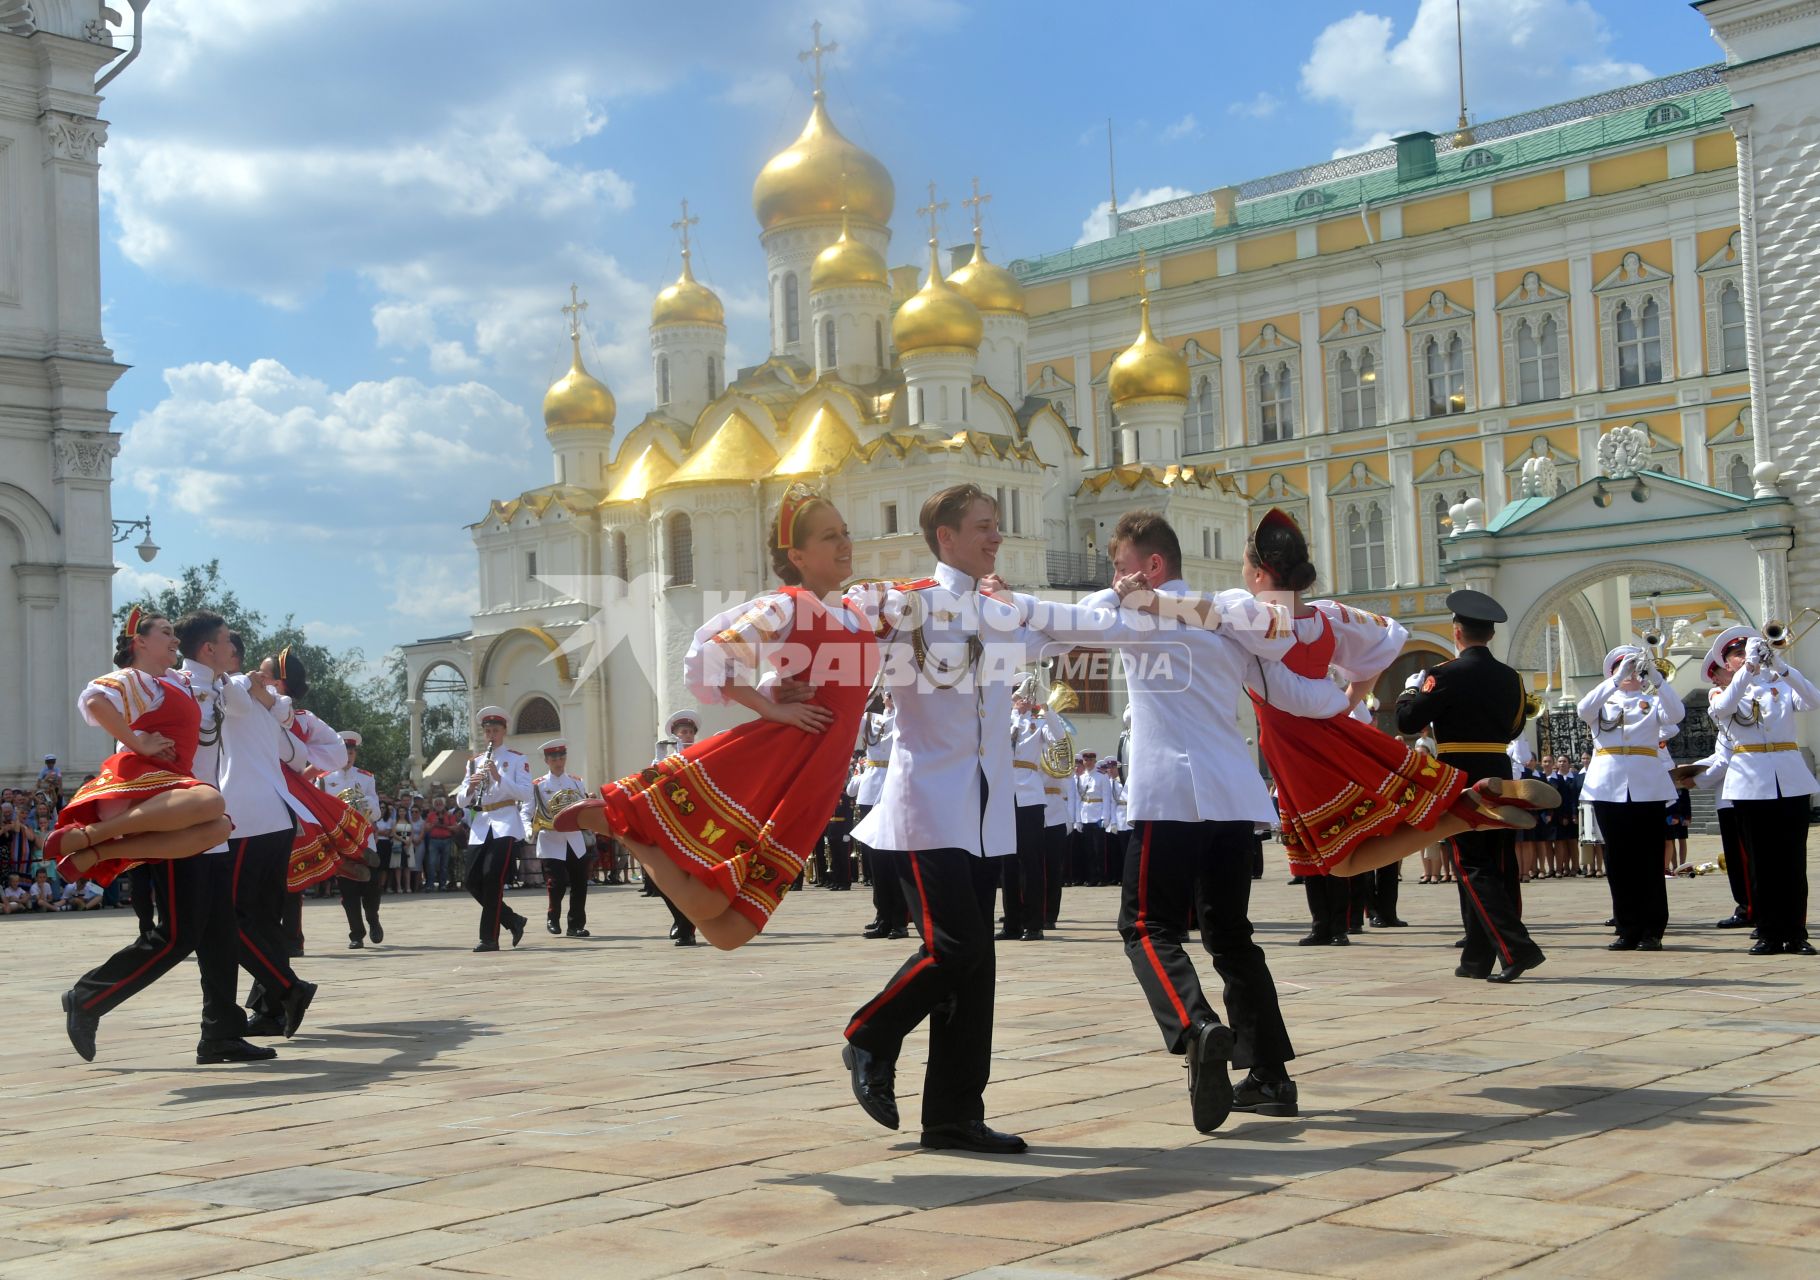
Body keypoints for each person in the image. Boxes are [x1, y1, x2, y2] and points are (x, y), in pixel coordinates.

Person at [558, 485, 882, 953]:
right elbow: (711, 656)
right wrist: (771, 707)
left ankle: (624, 825)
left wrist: (776, 687)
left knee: (729, 931)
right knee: (714, 910)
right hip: (782, 759)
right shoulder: (788, 605)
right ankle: (621, 822)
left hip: (821, 770)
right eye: (830, 536)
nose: (845, 544)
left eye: (845, 533)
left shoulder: (858, 611)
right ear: (799, 554)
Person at [53, 609, 269, 1066]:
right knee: (177, 935)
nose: (173, 640)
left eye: (175, 634)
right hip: (159, 800)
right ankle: (89, 997)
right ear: (139, 642)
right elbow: (93, 701)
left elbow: (219, 694)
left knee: (219, 929)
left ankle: (221, 1035)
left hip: (186, 806)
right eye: (165, 633)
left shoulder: (180, 683)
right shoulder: (138, 680)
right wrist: (137, 741)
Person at [1396, 590, 1555, 983]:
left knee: (1471, 865)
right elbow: (1517, 726)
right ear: (1490, 635)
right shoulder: (1511, 677)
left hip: (1460, 774)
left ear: (1457, 632)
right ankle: (1477, 956)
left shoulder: (1444, 674)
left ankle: (1516, 948)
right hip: (1499, 769)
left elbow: (1407, 721)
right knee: (1500, 864)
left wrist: (1410, 691)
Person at [1705, 626, 1817, 955]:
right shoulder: (1723, 692)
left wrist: (1781, 667)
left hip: (1790, 778)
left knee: (1792, 862)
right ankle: (1768, 933)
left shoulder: (1778, 683)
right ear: (1726, 664)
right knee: (1761, 862)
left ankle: (1796, 933)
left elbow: (1813, 699)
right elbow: (1724, 709)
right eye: (1737, 654)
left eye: (1748, 651)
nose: (1745, 656)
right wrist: (1749, 670)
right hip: (1751, 781)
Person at [1578, 644, 1683, 952]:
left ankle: (1652, 930)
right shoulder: (1602, 702)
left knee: (1649, 859)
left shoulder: (1651, 701)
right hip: (1608, 786)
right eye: (1623, 669)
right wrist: (1613, 681)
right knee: (1618, 860)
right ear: (1612, 672)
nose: (1629, 675)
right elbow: (1583, 708)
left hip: (1647, 786)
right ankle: (1627, 927)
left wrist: (1657, 679)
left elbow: (1677, 714)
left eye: (1634, 670)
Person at [459, 707, 534, 952]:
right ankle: (512, 919)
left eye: (496, 731)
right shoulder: (474, 762)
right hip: (481, 824)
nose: (491, 735)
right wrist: (470, 788)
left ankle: (488, 938)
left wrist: (499, 777)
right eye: (488, 731)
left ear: (504, 731)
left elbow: (525, 793)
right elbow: (461, 801)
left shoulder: (516, 759)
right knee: (471, 880)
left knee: (493, 879)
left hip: (505, 822)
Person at [1000, 678, 1059, 942]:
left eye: (1023, 694)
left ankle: (1034, 924)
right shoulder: (1003, 720)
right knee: (1007, 864)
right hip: (1004, 796)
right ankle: (1011, 923)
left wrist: (1045, 707)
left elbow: (1057, 737)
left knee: (1032, 862)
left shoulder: (1040, 724)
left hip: (1030, 796)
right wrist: (1013, 710)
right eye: (1016, 694)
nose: (1021, 698)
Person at [642, 709, 704, 946]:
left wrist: (682, 755)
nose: (686, 735)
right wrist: (658, 758)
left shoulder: (702, 754)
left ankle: (687, 927)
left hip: (697, 825)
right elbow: (649, 784)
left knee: (691, 877)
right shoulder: (664, 761)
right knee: (666, 879)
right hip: (671, 825)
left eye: (689, 732)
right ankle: (681, 920)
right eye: (682, 732)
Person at [850, 694, 907, 940]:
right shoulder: (870, 718)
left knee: (895, 857)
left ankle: (899, 920)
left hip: (894, 786)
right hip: (871, 786)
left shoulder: (905, 717)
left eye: (894, 692)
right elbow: (850, 715)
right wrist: (867, 694)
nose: (890, 697)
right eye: (886, 693)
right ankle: (882, 916)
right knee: (874, 858)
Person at [320, 732, 384, 948]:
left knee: (371, 888)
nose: (348, 757)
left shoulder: (366, 777)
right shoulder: (325, 779)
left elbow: (376, 813)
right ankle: (356, 933)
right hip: (341, 842)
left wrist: (364, 802)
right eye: (344, 753)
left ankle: (373, 919)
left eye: (351, 752)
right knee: (348, 891)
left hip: (365, 842)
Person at [527, 740, 591, 937]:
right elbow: (527, 810)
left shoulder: (576, 782)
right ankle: (552, 917)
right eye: (554, 758)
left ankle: (576, 925)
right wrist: (527, 828)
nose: (558, 761)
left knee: (580, 883)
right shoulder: (538, 785)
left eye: (561, 757)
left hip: (574, 837)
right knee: (557, 883)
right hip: (551, 839)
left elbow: (582, 805)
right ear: (546, 760)